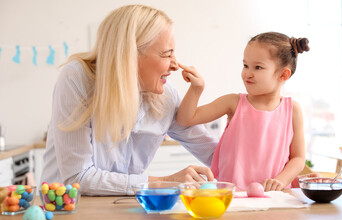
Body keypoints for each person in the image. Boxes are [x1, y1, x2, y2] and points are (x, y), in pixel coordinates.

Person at [41, 5, 218, 196]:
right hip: (66, 212)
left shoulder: (166, 97)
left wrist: (246, 115)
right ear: (130, 55)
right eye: (167, 54)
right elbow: (78, 178)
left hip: (121, 210)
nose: (175, 65)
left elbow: (215, 154)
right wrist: (164, 182)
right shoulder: (77, 79)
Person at [176, 32, 310, 191]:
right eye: (245, 65)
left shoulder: (293, 110)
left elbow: (298, 158)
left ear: (283, 74)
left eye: (258, 67)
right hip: (232, 196)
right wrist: (196, 89)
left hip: (275, 197)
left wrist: (280, 181)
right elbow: (185, 119)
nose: (248, 73)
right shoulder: (233, 102)